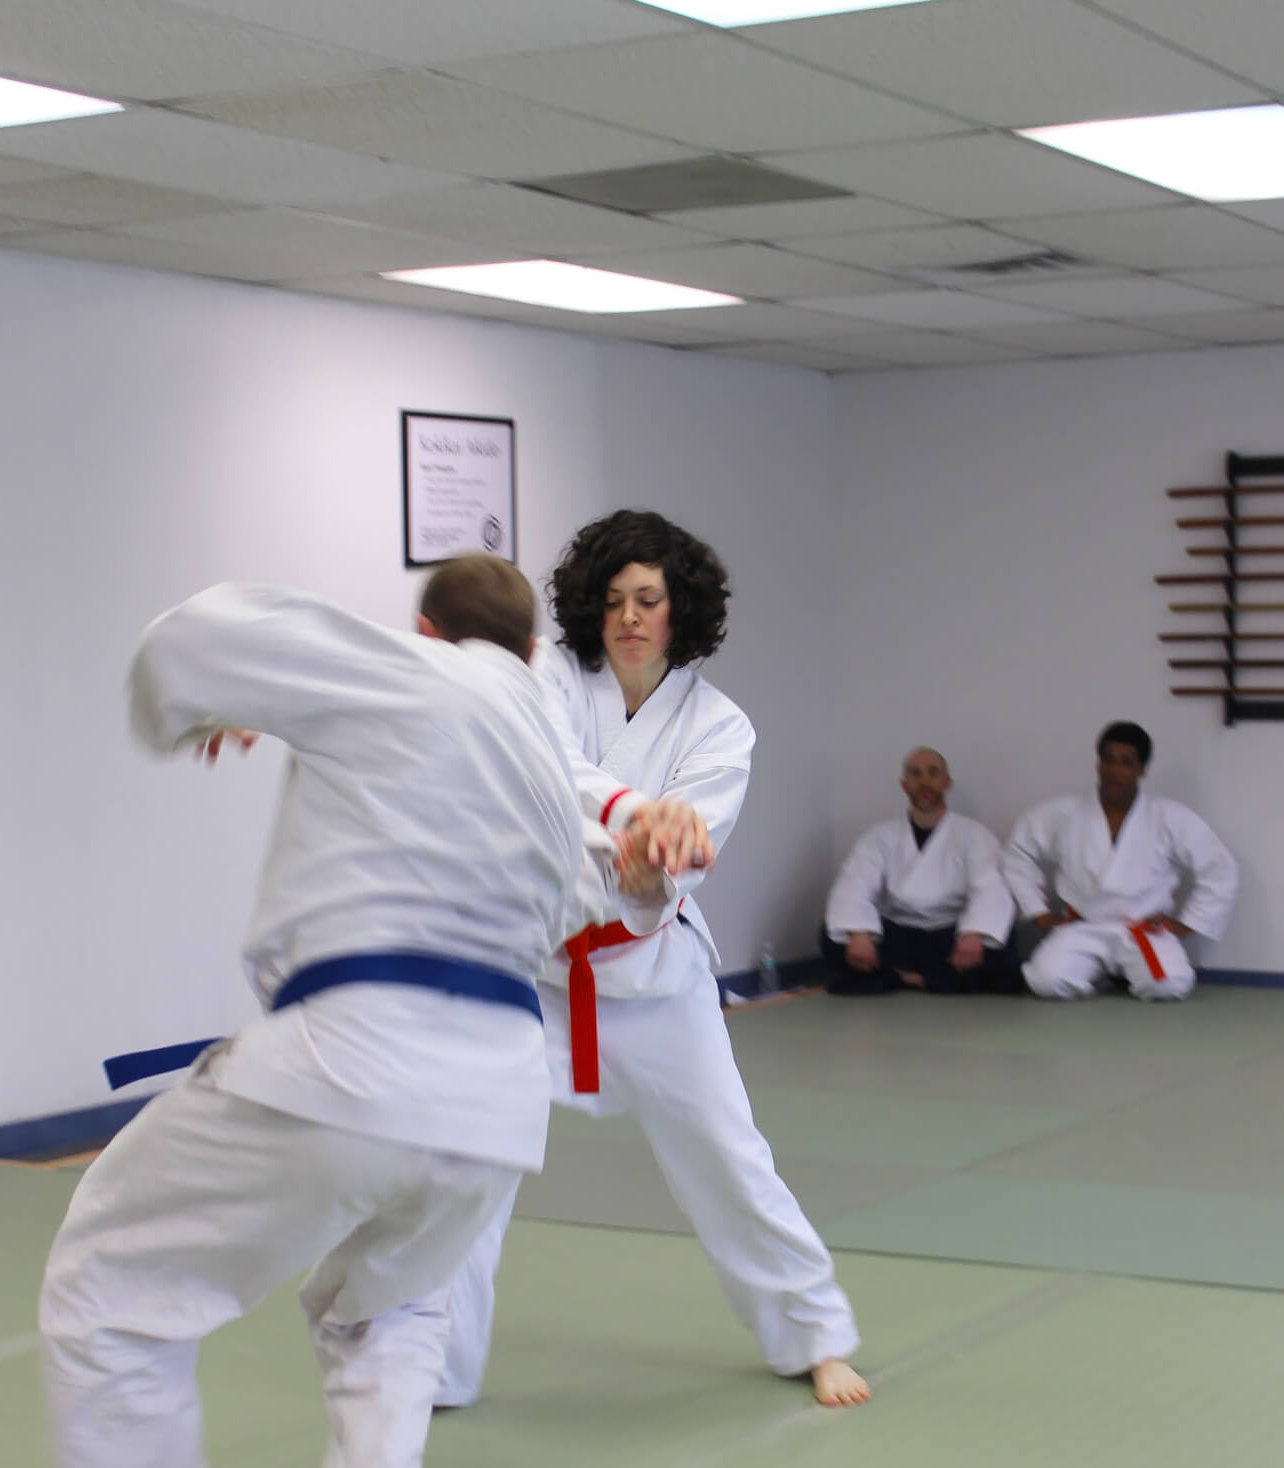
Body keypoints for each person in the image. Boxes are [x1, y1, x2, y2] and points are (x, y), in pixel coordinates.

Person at [38, 556, 674, 1468]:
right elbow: (616, 895)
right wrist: (643, 867)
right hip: (497, 1102)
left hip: (349, 1055)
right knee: (399, 1297)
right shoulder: (540, 761)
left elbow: (189, 637)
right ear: (530, 653)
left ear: (424, 630)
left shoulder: (399, 671)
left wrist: (195, 708)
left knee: (113, 1261)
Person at [437, 510, 869, 1413]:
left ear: (683, 610)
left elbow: (682, 849)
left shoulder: (720, 727)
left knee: (728, 1156)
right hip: (537, 974)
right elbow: (538, 775)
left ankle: (814, 1335)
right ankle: (434, 1365)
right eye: (614, 599)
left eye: (650, 600)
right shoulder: (546, 678)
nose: (630, 616)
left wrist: (648, 863)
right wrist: (633, 817)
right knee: (468, 1159)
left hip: (653, 974)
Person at [1003, 721, 1238, 1000]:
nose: (1116, 770)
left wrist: (1188, 924)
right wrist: (1038, 912)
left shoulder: (1170, 817)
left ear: (1142, 769)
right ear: (1098, 763)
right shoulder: (1062, 813)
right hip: (1083, 927)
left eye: (1127, 762)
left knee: (1168, 986)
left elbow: (1219, 869)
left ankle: (1114, 973)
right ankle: (1098, 975)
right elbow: (1018, 854)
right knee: (1047, 983)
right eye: (1108, 760)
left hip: (1144, 930)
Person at [821, 746, 1018, 994]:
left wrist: (975, 933)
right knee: (832, 936)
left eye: (933, 773)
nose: (924, 781)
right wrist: (859, 933)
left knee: (1002, 945)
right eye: (915, 774)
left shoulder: (975, 835)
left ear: (947, 782)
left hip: (951, 934)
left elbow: (990, 887)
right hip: (900, 933)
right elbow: (854, 883)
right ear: (905, 785)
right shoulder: (880, 836)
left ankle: (899, 979)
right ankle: (934, 980)